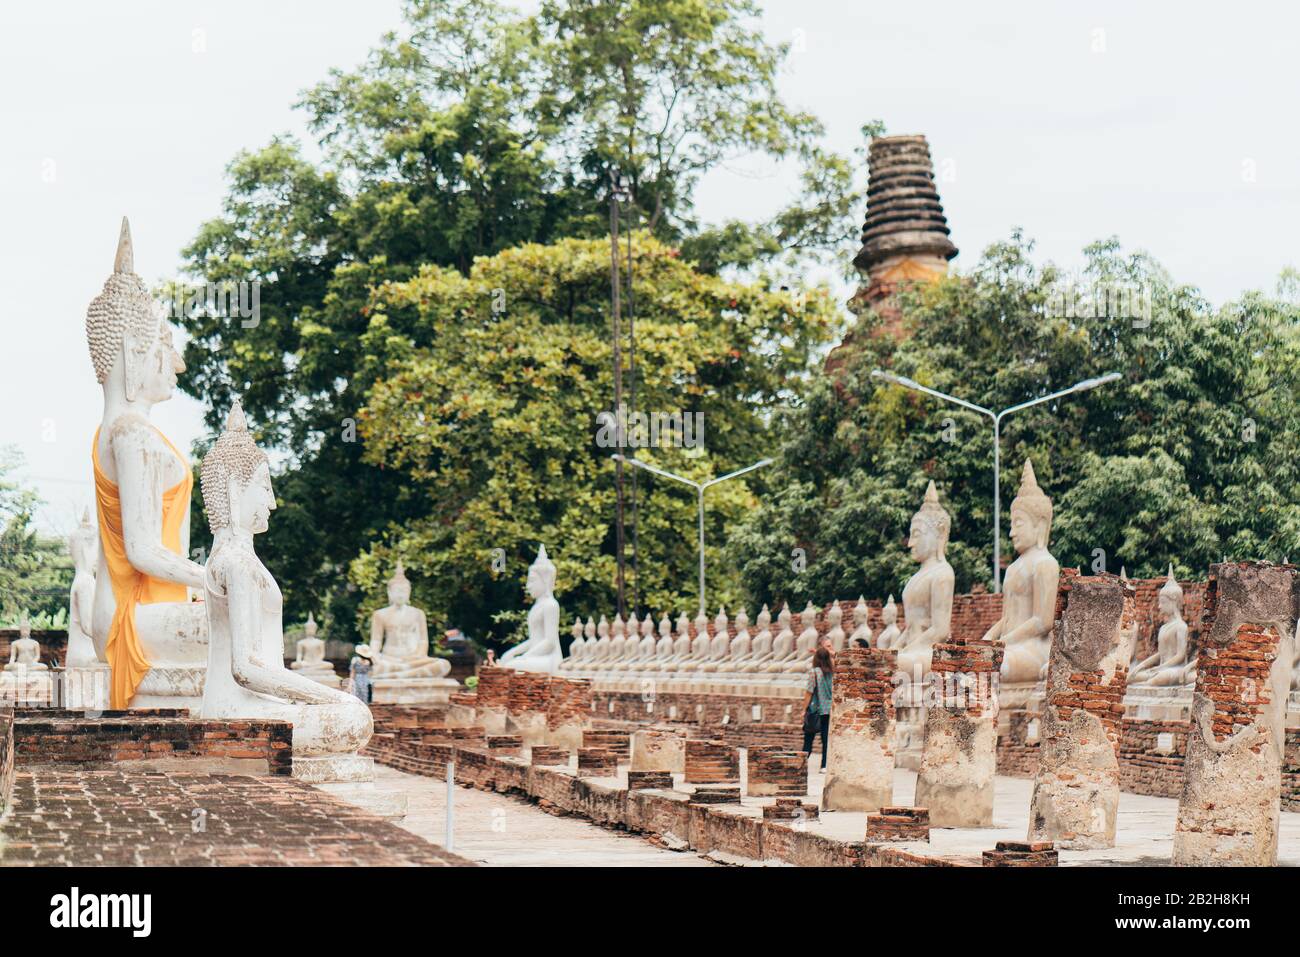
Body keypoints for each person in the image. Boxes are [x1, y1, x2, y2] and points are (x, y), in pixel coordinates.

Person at [801, 646, 833, 770]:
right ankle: (824, 765)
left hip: (815, 709)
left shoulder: (814, 672)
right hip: (828, 709)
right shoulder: (832, 672)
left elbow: (809, 692)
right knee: (825, 739)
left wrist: (803, 709)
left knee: (809, 738)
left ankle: (802, 764)